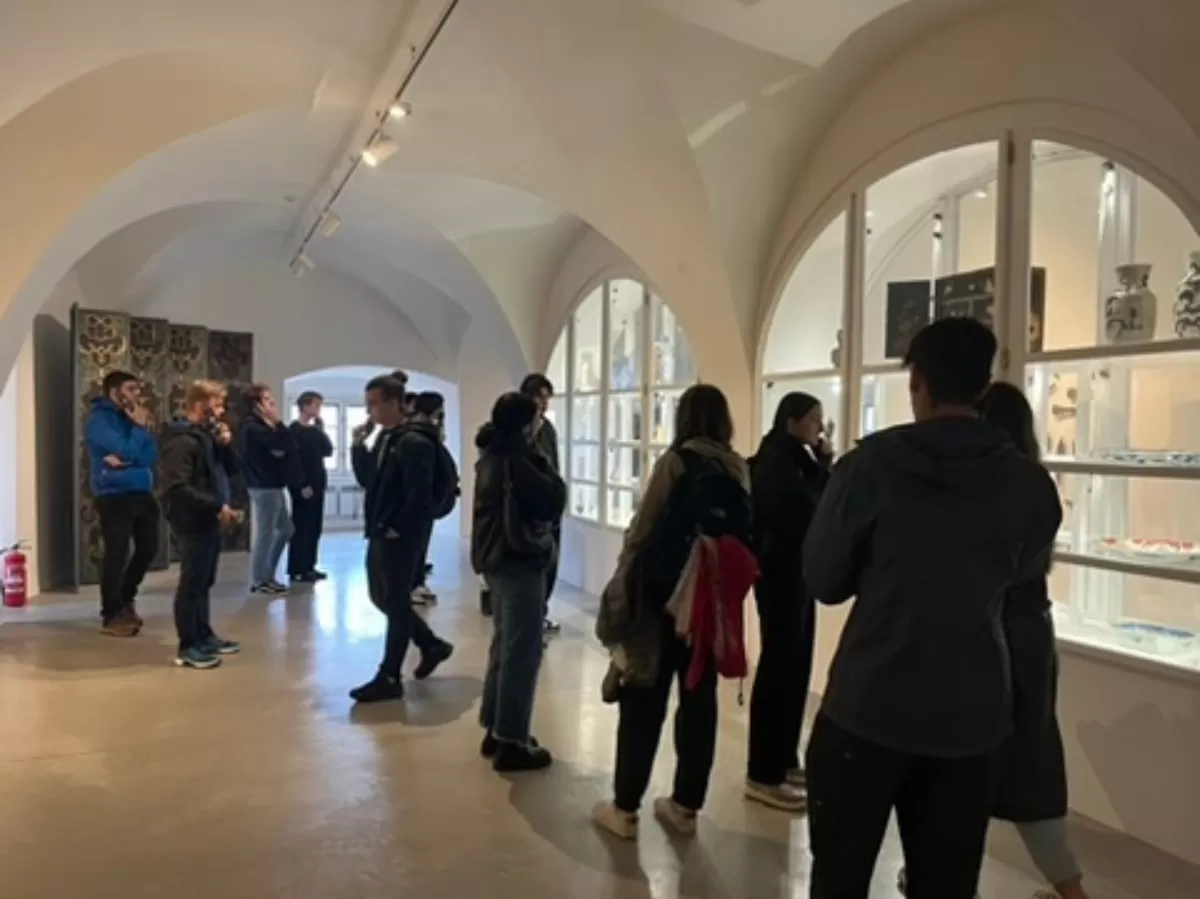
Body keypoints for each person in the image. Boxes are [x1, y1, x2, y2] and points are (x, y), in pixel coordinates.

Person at [801, 318, 1062, 899]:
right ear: (982, 384)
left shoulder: (868, 467)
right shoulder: (1029, 484)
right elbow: (1021, 586)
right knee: (946, 886)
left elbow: (823, 579)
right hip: (971, 714)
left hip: (870, 702)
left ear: (917, 382)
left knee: (838, 877)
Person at [592, 384, 751, 841]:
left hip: (660, 603)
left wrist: (623, 581)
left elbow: (642, 533)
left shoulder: (676, 462)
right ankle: (685, 806)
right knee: (699, 702)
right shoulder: (737, 467)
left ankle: (624, 809)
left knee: (644, 700)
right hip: (706, 607)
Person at [979, 382, 1090, 899]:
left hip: (996, 632)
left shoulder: (991, 485)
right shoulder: (1036, 484)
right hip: (1030, 631)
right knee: (1028, 758)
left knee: (982, 762)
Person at [745, 391, 832, 813]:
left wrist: (822, 463)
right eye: (815, 420)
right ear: (792, 421)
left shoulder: (797, 461)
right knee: (779, 667)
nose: (820, 428)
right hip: (779, 575)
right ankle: (763, 772)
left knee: (795, 667)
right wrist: (822, 468)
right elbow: (810, 512)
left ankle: (783, 758)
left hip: (797, 574)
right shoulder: (778, 465)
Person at [472, 391, 566, 771]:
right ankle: (512, 740)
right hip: (518, 560)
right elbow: (553, 498)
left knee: (504, 645)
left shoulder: (491, 455)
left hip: (496, 560)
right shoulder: (518, 460)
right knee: (521, 652)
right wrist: (538, 454)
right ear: (528, 424)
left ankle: (496, 727)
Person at [349, 375, 453, 704]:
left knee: (394, 602)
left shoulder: (413, 442)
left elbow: (418, 497)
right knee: (381, 598)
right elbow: (370, 480)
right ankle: (431, 644)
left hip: (400, 535)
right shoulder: (388, 438)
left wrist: (398, 528)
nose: (369, 411)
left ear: (393, 403)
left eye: (373, 403)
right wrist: (356, 446)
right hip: (382, 529)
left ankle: (390, 675)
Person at [159, 380, 242, 669]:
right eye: (216, 404)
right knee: (192, 582)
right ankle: (188, 645)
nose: (221, 411)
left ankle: (203, 634)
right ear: (199, 405)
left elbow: (232, 469)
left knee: (205, 580)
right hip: (192, 520)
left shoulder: (207, 438)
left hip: (209, 518)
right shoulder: (181, 441)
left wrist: (227, 445)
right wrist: (216, 505)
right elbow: (176, 487)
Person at [84, 370, 160, 637]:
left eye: (137, 389)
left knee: (149, 547)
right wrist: (138, 431)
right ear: (114, 392)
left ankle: (126, 597)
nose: (137, 394)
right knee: (117, 552)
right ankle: (111, 613)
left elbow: (150, 455)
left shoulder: (132, 419)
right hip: (113, 493)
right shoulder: (99, 420)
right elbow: (128, 450)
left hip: (141, 489)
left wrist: (134, 445)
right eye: (131, 389)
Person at [236, 384, 298, 595]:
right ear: (256, 405)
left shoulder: (261, 427)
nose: (272, 404)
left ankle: (267, 574)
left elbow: (284, 449)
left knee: (286, 529)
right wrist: (278, 423)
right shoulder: (253, 428)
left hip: (272, 485)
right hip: (264, 487)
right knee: (266, 533)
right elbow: (288, 443)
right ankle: (260, 580)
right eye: (268, 400)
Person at [519, 373, 562, 635]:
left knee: (550, 564)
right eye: (539, 397)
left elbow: (553, 466)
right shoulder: (520, 432)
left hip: (548, 509)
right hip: (533, 512)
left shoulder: (547, 429)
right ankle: (533, 617)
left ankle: (540, 613)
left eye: (546, 398)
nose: (544, 404)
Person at [287, 391, 333, 584]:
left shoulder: (315, 431)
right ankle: (297, 568)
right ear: (305, 406)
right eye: (316, 405)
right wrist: (301, 484)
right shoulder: (293, 430)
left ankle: (309, 566)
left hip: (317, 482)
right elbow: (293, 460)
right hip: (302, 484)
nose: (318, 409)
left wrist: (321, 430)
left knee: (314, 527)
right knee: (302, 526)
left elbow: (328, 450)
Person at [411, 391, 449, 605]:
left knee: (422, 543)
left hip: (428, 500)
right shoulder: (420, 434)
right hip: (421, 500)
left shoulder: (431, 431)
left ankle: (418, 581)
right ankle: (413, 584)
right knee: (416, 544)